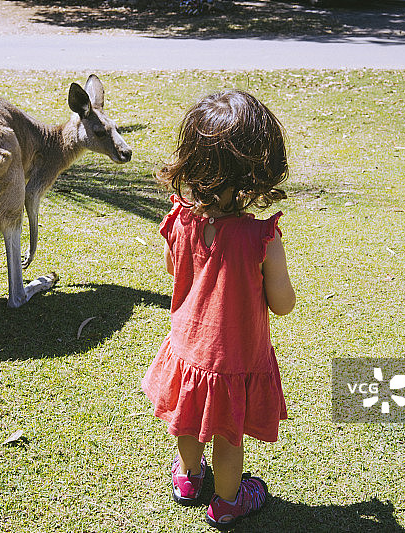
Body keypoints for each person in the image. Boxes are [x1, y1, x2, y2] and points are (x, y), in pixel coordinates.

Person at [142, 89, 296, 530]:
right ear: (254, 171)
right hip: (234, 359)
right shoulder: (261, 238)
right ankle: (229, 502)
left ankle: (190, 478)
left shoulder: (179, 219)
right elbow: (282, 305)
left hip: (188, 348)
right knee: (229, 435)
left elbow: (175, 269)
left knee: (186, 417)